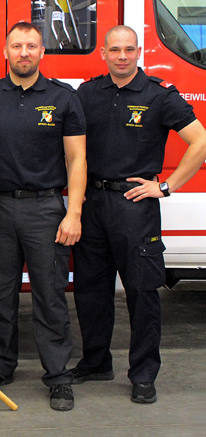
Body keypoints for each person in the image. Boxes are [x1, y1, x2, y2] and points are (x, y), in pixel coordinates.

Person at [71, 25, 206, 404]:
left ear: (139, 51)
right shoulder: (87, 93)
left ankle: (144, 374)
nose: (122, 56)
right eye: (115, 49)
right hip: (93, 204)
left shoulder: (159, 95)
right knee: (90, 291)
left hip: (135, 208)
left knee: (143, 295)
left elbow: (201, 141)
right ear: (103, 53)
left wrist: (164, 187)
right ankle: (95, 362)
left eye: (129, 49)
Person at [0, 21, 86, 411]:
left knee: (50, 296)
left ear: (42, 53)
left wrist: (73, 212)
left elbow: (76, 158)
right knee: (0, 294)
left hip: (46, 209)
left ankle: (57, 375)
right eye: (17, 46)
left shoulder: (63, 97)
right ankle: (0, 366)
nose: (24, 52)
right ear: (4, 52)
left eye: (31, 46)